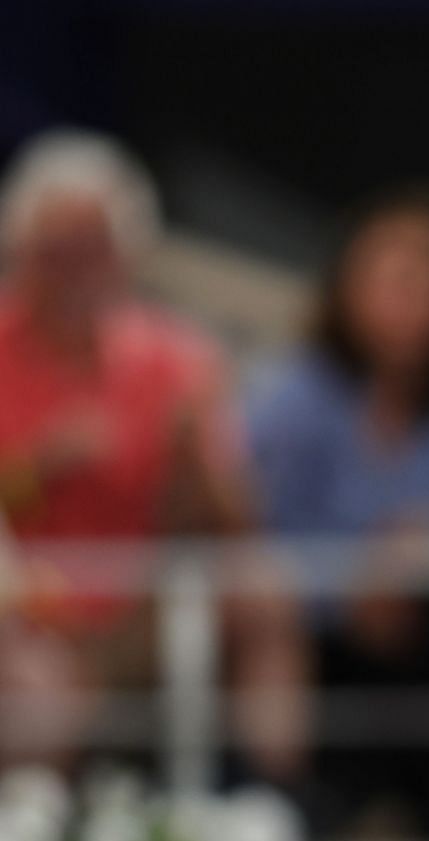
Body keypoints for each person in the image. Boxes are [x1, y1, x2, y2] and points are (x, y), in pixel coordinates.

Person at [0, 129, 306, 777]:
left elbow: (232, 520)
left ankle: (283, 801)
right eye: (57, 251)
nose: (76, 271)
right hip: (21, 609)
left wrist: (194, 461)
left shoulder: (179, 358)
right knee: (35, 680)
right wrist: (37, 468)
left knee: (263, 592)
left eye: (95, 251)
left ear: (129, 256)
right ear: (21, 251)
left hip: (147, 601)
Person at [247, 183, 429, 837]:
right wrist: (352, 585)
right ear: (348, 284)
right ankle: (341, 815)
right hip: (325, 635)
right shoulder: (293, 400)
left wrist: (421, 564)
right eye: (398, 276)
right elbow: (260, 539)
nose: (416, 298)